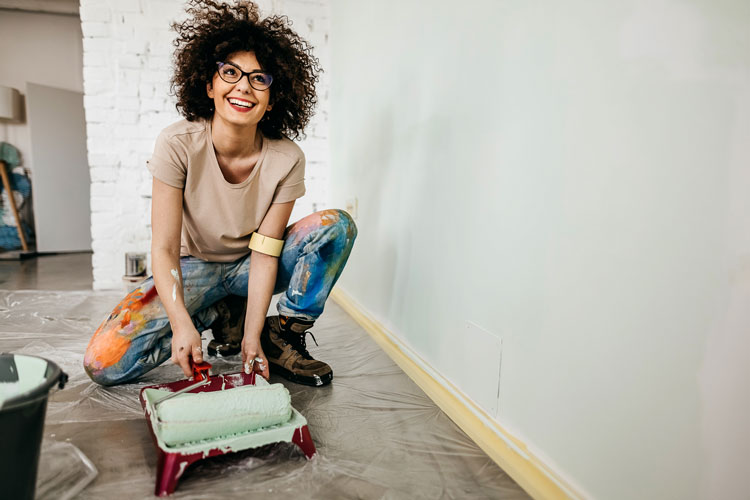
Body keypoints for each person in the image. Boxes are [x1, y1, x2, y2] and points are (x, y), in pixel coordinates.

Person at [83, 0, 356, 388]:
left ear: (272, 98)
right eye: (231, 72)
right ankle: (215, 314)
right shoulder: (177, 144)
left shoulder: (287, 158)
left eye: (260, 78)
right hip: (192, 266)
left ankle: (278, 336)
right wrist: (181, 325)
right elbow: (162, 249)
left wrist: (251, 337)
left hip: (250, 267)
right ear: (209, 85)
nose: (244, 85)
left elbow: (265, 250)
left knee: (335, 227)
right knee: (102, 364)